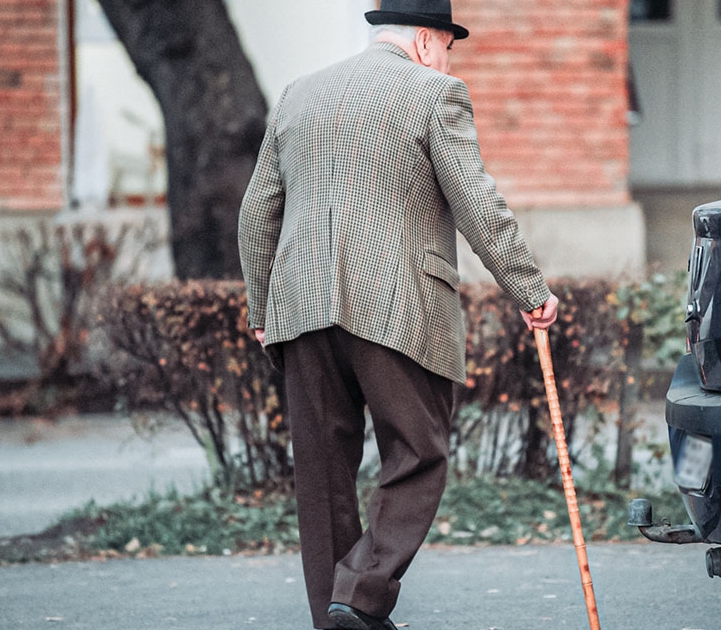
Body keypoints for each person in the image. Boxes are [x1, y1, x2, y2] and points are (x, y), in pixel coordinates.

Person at [237, 1, 559, 628]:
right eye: (446, 46)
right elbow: (475, 203)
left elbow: (256, 213)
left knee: (324, 472)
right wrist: (529, 288)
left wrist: (261, 305)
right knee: (419, 452)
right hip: (397, 308)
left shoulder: (298, 95)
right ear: (423, 41)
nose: (446, 59)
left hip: (300, 309)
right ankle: (358, 595)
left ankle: (339, 616)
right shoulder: (435, 92)